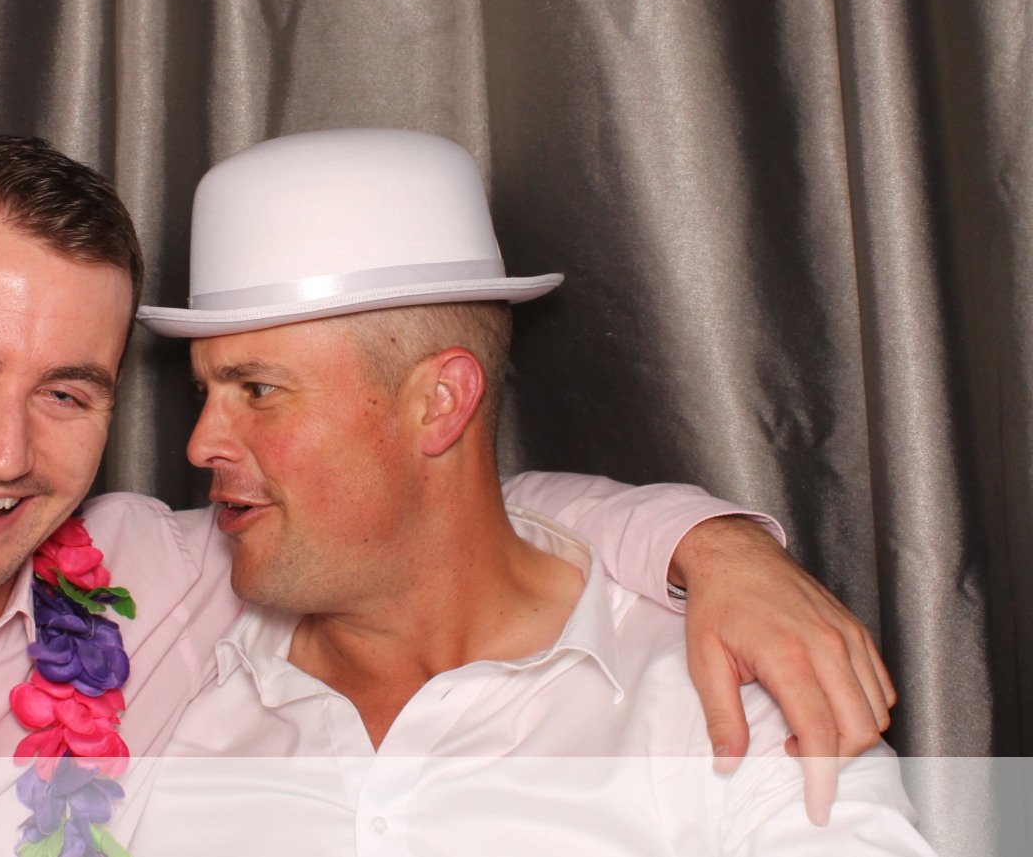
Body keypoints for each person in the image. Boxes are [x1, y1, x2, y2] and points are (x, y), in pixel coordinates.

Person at [0, 136, 893, 856]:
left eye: (69, 390)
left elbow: (439, 523)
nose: (3, 450)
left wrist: (716, 549)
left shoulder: (164, 588)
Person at [129, 128, 929, 854]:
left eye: (259, 390)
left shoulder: (730, 708)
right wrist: (716, 542)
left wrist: (723, 548)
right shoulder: (159, 682)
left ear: (440, 403)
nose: (200, 442)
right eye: (205, 391)